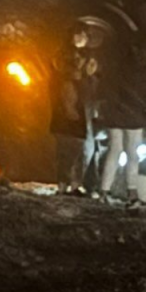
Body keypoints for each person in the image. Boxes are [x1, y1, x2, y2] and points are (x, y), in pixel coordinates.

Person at [49, 62, 85, 196]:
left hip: (64, 126)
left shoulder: (58, 82)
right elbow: (71, 108)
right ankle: (69, 186)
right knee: (71, 157)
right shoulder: (70, 84)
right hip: (71, 127)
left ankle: (65, 186)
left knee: (65, 156)